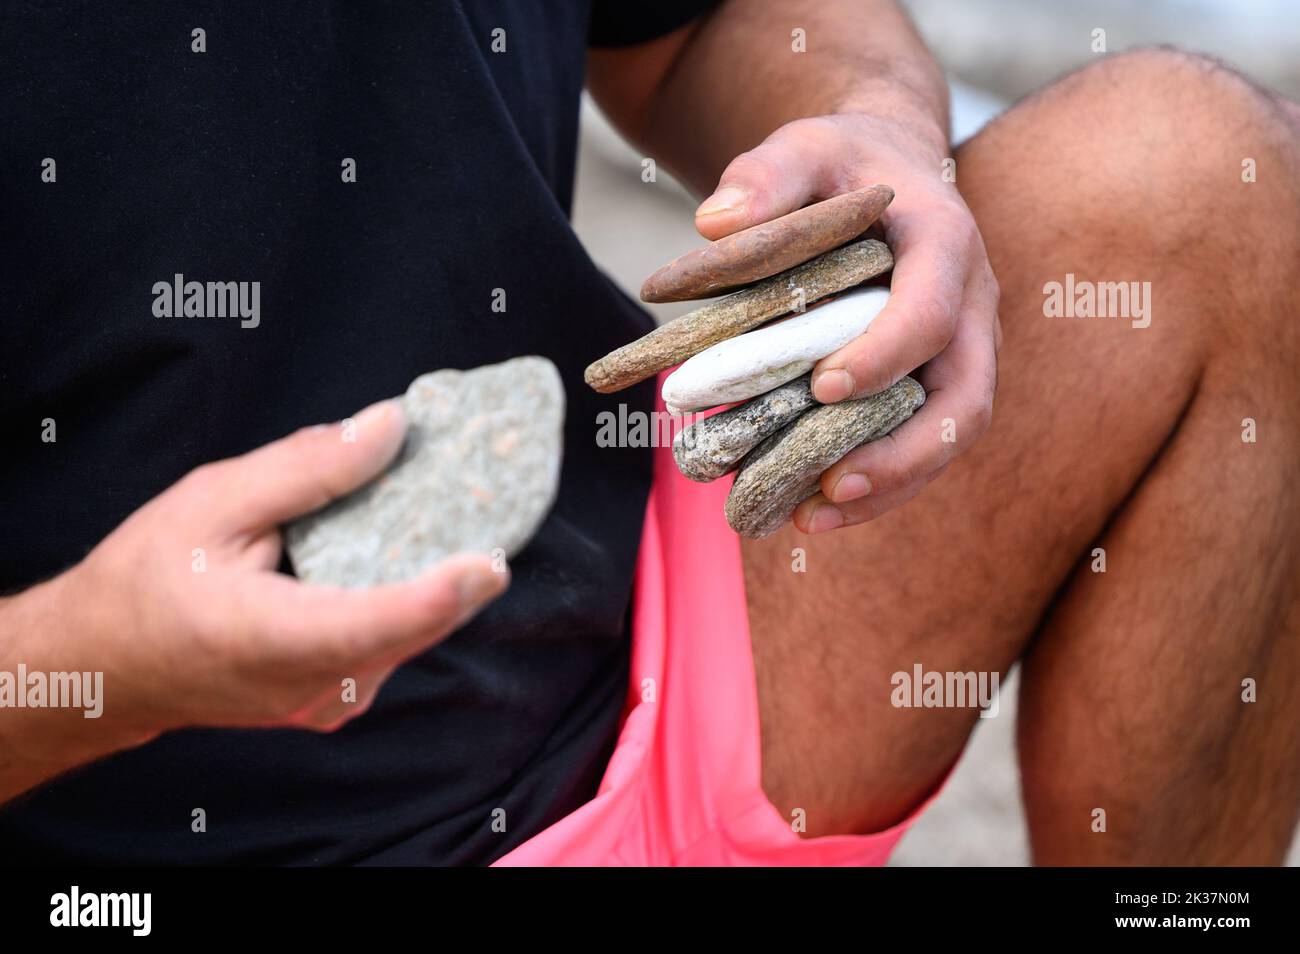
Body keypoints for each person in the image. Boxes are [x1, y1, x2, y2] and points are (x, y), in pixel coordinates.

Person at [1, 0, 1296, 865]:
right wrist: (93, 670)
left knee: (1205, 187)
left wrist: (880, 131)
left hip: (628, 685)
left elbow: (690, 24)